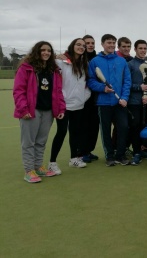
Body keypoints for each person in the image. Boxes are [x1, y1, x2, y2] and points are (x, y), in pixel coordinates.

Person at [13, 41, 66, 183]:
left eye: (49, 50)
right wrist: (23, 109)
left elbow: (58, 91)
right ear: (37, 51)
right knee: (28, 142)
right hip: (31, 111)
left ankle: (38, 167)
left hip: (48, 111)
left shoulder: (53, 70)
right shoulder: (26, 68)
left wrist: (60, 108)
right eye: (43, 50)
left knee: (41, 141)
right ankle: (29, 170)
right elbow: (18, 91)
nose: (46, 53)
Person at [48, 38, 91, 175]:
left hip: (78, 105)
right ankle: (52, 163)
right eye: (78, 44)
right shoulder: (60, 61)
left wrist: (83, 98)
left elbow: (85, 85)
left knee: (75, 132)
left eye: (83, 46)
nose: (81, 47)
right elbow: (48, 64)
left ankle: (73, 159)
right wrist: (55, 56)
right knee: (61, 132)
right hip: (63, 105)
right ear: (72, 46)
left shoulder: (84, 64)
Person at [87, 34, 131, 166]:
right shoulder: (95, 61)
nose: (111, 45)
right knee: (105, 129)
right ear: (102, 44)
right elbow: (90, 81)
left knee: (123, 127)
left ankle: (120, 155)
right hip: (103, 102)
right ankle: (110, 156)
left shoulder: (122, 61)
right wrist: (102, 88)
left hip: (120, 102)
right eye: (108, 42)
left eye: (113, 42)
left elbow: (127, 81)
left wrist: (124, 98)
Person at [127, 39, 147, 165]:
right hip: (134, 102)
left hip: (146, 102)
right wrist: (139, 87)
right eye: (141, 48)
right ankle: (136, 152)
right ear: (135, 49)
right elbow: (126, 84)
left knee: (144, 126)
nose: (143, 51)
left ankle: (142, 149)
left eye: (145, 48)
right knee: (135, 126)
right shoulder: (130, 65)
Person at [81, 35, 100, 163]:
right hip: (82, 99)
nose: (90, 45)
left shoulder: (98, 58)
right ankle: (81, 152)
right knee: (83, 126)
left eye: (92, 43)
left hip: (96, 97)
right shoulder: (79, 58)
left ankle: (88, 150)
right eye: (87, 43)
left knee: (94, 126)